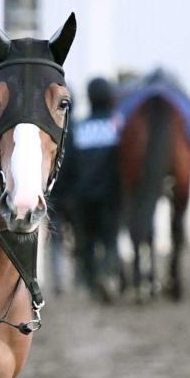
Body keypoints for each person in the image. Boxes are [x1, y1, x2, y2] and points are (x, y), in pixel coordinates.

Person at [62, 77, 122, 300]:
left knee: (86, 243)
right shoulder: (117, 126)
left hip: (82, 196)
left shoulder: (78, 128)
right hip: (110, 196)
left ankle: (92, 282)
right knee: (110, 239)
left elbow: (67, 165)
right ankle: (107, 273)